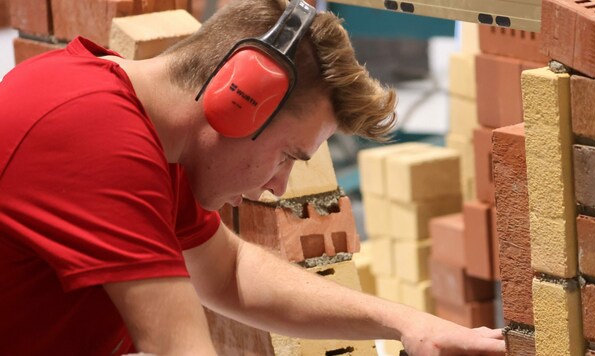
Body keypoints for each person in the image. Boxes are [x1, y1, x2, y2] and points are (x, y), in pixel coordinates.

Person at [0, 0, 505, 354]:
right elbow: (181, 349)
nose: (280, 185)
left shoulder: (148, 136)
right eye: (287, 154)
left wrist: (407, 322)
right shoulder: (97, 137)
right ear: (236, 101)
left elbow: (229, 275)